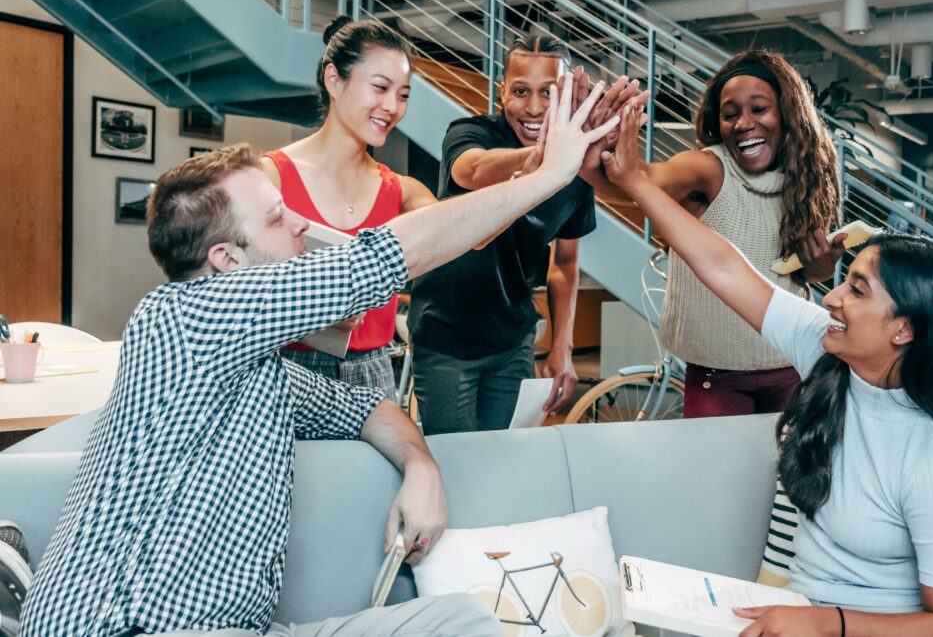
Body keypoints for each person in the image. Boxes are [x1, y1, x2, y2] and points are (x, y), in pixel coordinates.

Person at [18, 75, 620, 636]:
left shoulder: (259, 370)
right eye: (277, 217)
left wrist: (422, 467)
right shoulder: (180, 317)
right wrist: (551, 174)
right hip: (126, 628)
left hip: (240, 628)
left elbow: (366, 408)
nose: (301, 226)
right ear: (227, 260)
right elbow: (386, 258)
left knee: (463, 620)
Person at [600, 101, 933, 636]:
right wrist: (635, 182)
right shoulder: (828, 354)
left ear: (904, 329)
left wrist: (826, 622)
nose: (831, 298)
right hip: (799, 615)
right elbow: (725, 267)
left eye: (857, 290)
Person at [582, 49, 844, 418]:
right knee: (713, 459)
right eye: (729, 114)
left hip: (792, 365)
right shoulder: (708, 168)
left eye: (759, 109)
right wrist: (598, 149)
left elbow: (803, 277)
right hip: (715, 376)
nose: (743, 123)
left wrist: (821, 266)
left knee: (785, 459)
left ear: (787, 114)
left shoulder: (804, 182)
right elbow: (641, 181)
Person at [406, 36, 632, 434]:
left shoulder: (577, 171)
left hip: (512, 341)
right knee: (455, 458)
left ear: (567, 97)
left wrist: (562, 345)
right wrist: (551, 157)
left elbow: (565, 264)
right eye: (521, 91)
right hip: (446, 336)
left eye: (549, 93)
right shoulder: (470, 132)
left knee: (504, 456)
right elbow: (473, 169)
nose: (534, 108)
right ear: (502, 92)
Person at [262, 17, 437, 393]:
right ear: (334, 80)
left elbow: (466, 237)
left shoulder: (403, 192)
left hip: (374, 373)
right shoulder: (270, 177)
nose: (391, 107)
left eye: (403, 95)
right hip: (288, 371)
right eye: (380, 87)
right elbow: (234, 290)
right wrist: (314, 315)